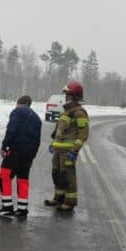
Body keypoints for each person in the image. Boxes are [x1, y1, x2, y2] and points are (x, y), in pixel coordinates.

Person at [0, 95, 42, 219]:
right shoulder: (37, 118)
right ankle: (22, 209)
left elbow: (11, 130)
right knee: (23, 179)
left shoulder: (17, 112)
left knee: (4, 177)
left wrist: (4, 146)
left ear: (20, 103)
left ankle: (7, 207)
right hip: (28, 154)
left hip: (15, 152)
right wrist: (33, 154)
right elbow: (37, 140)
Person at [44, 81, 89, 212]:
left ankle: (70, 202)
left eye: (68, 95)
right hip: (58, 150)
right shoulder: (66, 111)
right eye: (66, 94)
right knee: (57, 174)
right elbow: (59, 131)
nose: (65, 97)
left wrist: (75, 150)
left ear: (75, 96)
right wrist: (53, 144)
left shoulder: (79, 113)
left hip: (68, 151)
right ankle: (58, 197)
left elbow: (83, 134)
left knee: (68, 176)